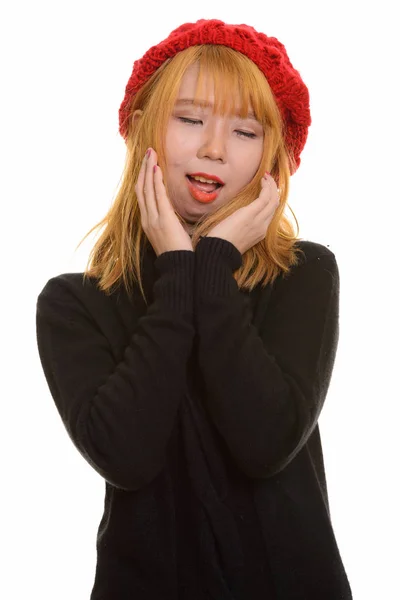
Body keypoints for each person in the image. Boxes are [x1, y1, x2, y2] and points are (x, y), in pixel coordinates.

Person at [35, 18, 353, 600]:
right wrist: (178, 273)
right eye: (190, 119)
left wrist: (213, 265)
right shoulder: (73, 304)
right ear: (141, 130)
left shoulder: (303, 274)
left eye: (245, 132)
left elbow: (266, 444)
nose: (213, 148)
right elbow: (124, 455)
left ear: (273, 158)